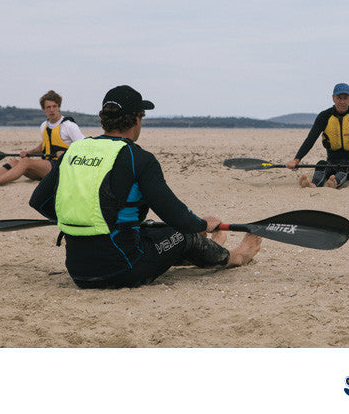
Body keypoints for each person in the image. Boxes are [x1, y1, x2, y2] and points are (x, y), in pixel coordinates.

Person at [29, 85, 261, 289]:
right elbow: (178, 217)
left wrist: (77, 217)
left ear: (104, 118)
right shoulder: (137, 158)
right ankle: (234, 256)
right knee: (182, 236)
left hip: (78, 270)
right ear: (137, 119)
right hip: (122, 268)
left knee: (149, 229)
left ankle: (207, 249)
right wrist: (202, 224)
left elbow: (39, 201)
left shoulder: (75, 151)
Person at [0, 90, 85, 187]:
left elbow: (85, 146)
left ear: (59, 107)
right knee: (14, 162)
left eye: (54, 106)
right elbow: (44, 145)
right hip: (47, 167)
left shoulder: (69, 125)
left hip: (62, 168)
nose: (52, 110)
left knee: (26, 162)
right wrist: (29, 152)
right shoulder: (44, 126)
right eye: (48, 107)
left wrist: (67, 153)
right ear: (44, 109)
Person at [285, 83, 349, 189]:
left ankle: (334, 183)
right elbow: (310, 139)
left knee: (344, 165)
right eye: (339, 98)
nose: (342, 102)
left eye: (345, 98)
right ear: (333, 98)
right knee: (321, 164)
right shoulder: (324, 116)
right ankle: (313, 184)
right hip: (332, 161)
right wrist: (296, 159)